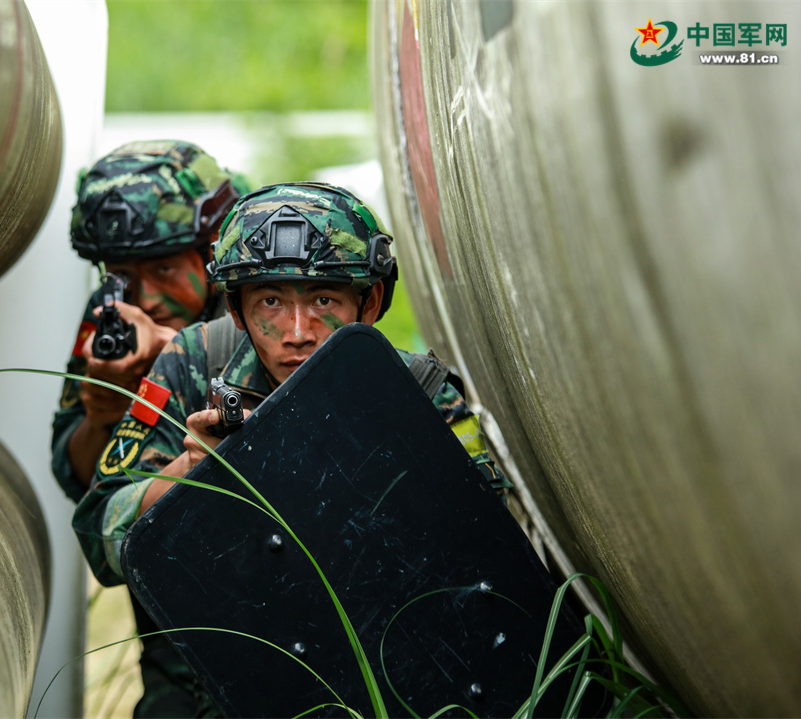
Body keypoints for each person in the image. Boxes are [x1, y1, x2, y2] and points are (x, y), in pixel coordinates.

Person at [73, 180, 510, 611]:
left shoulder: (421, 391)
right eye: (269, 302)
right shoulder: (196, 361)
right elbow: (99, 536)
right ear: (237, 310)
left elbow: (491, 544)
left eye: (323, 299)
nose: (297, 333)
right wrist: (188, 474)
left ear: (370, 302)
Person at [51, 140, 249, 718]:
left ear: (211, 254)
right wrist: (101, 411)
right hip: (177, 652)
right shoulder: (110, 321)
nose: (146, 298)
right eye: (122, 275)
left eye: (164, 269)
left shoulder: (263, 306)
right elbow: (87, 486)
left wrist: (185, 358)